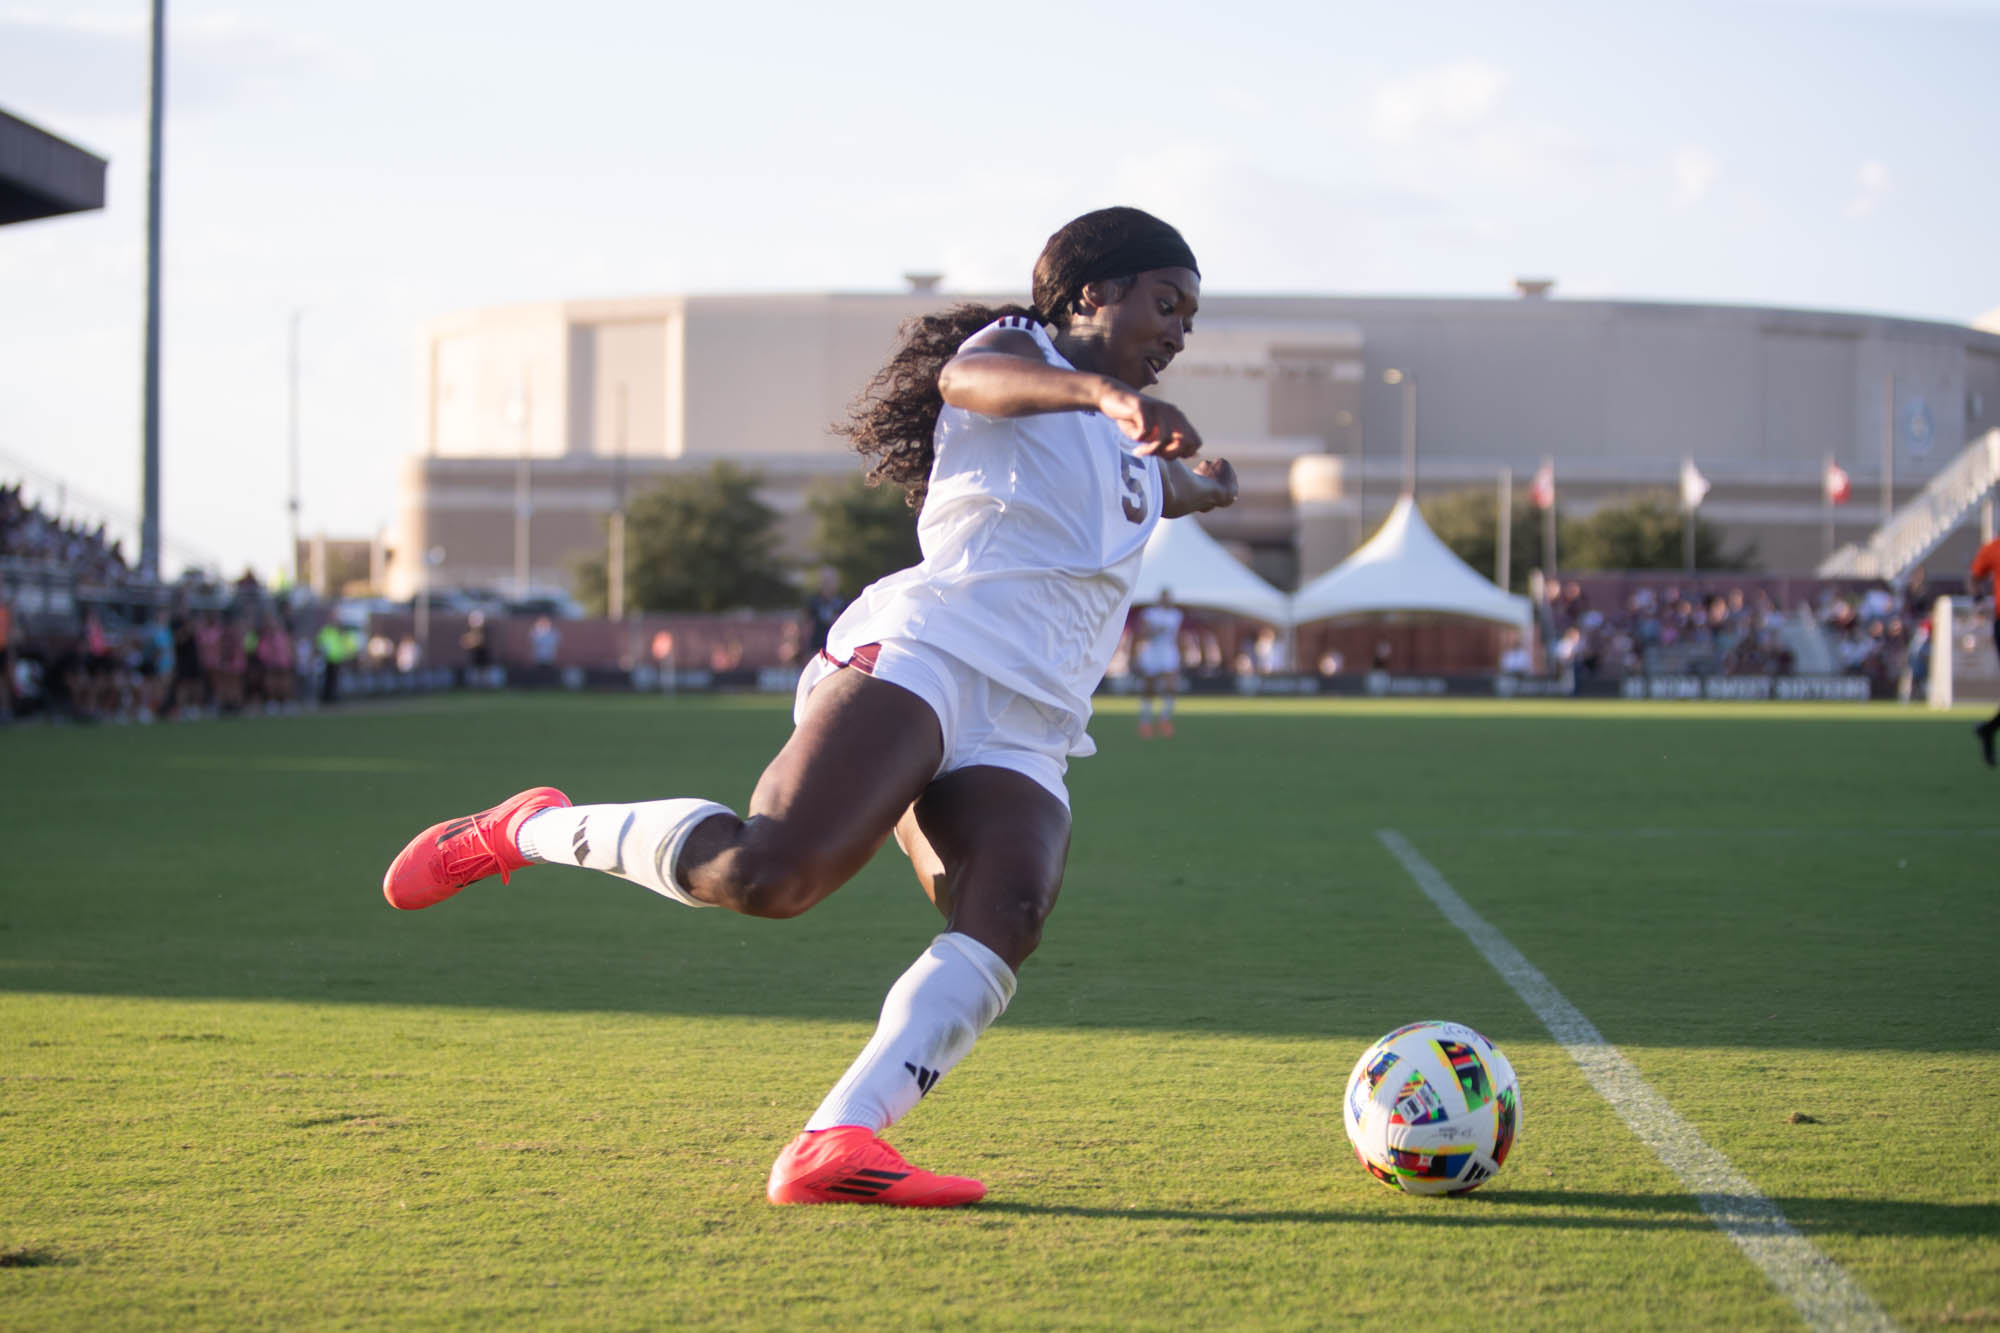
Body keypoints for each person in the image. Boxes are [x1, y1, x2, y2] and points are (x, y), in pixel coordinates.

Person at [379, 206, 1235, 1208]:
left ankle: (838, 1139)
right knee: (768, 873)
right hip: (930, 655)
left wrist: (1195, 485)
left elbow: (1134, 490)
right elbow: (973, 382)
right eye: (1166, 303)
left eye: (1189, 317)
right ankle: (526, 829)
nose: (1178, 332)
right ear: (1093, 292)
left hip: (1031, 719)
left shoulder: (1125, 439)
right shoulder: (1019, 354)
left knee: (1006, 909)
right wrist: (1100, 392)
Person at [1130, 589, 1184, 738]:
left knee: (1170, 686)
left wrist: (1182, 654)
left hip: (1168, 652)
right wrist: (1154, 631)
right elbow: (1143, 633)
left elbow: (1178, 636)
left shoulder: (1176, 615)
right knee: (1149, 689)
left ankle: (1164, 719)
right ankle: (1145, 721)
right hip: (1152, 652)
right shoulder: (1150, 613)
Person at [1969, 536, 2000, 764]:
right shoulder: (1993, 548)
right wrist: (1978, 599)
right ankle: (1988, 730)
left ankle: (1988, 729)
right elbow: (1974, 576)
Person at [798, 565, 848, 665]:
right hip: (816, 646)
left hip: (836, 648)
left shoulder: (842, 602)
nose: (828, 584)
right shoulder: (814, 602)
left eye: (831, 581)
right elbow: (805, 622)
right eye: (825, 581)